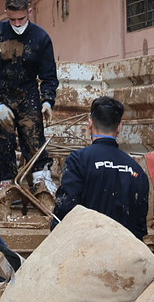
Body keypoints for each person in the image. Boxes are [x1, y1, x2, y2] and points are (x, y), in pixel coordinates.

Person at [0, 0, 56, 191]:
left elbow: (49, 75)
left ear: (29, 12)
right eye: (12, 19)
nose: (17, 23)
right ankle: (5, 187)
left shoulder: (41, 37)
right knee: (1, 144)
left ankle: (42, 185)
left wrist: (48, 100)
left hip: (28, 94)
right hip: (2, 94)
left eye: (21, 19)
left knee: (34, 140)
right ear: (6, 13)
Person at [55, 95, 148, 238]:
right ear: (119, 127)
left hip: (85, 250)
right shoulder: (136, 169)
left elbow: (66, 210)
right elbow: (140, 227)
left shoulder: (78, 160)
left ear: (90, 123)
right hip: (123, 253)